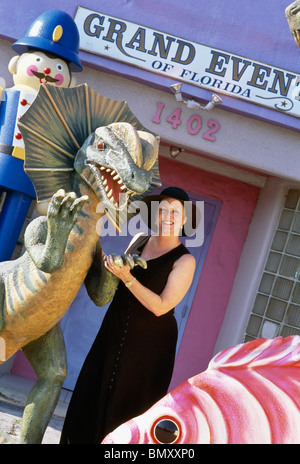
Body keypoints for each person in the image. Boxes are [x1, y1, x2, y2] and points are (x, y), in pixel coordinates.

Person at [60, 187, 198, 444]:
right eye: (163, 209)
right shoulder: (139, 240)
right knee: (92, 391)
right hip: (114, 329)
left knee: (129, 408)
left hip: (149, 347)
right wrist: (105, 263)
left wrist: (128, 278)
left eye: (176, 212)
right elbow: (118, 277)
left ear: (185, 219)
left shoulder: (185, 261)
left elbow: (161, 306)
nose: (168, 216)